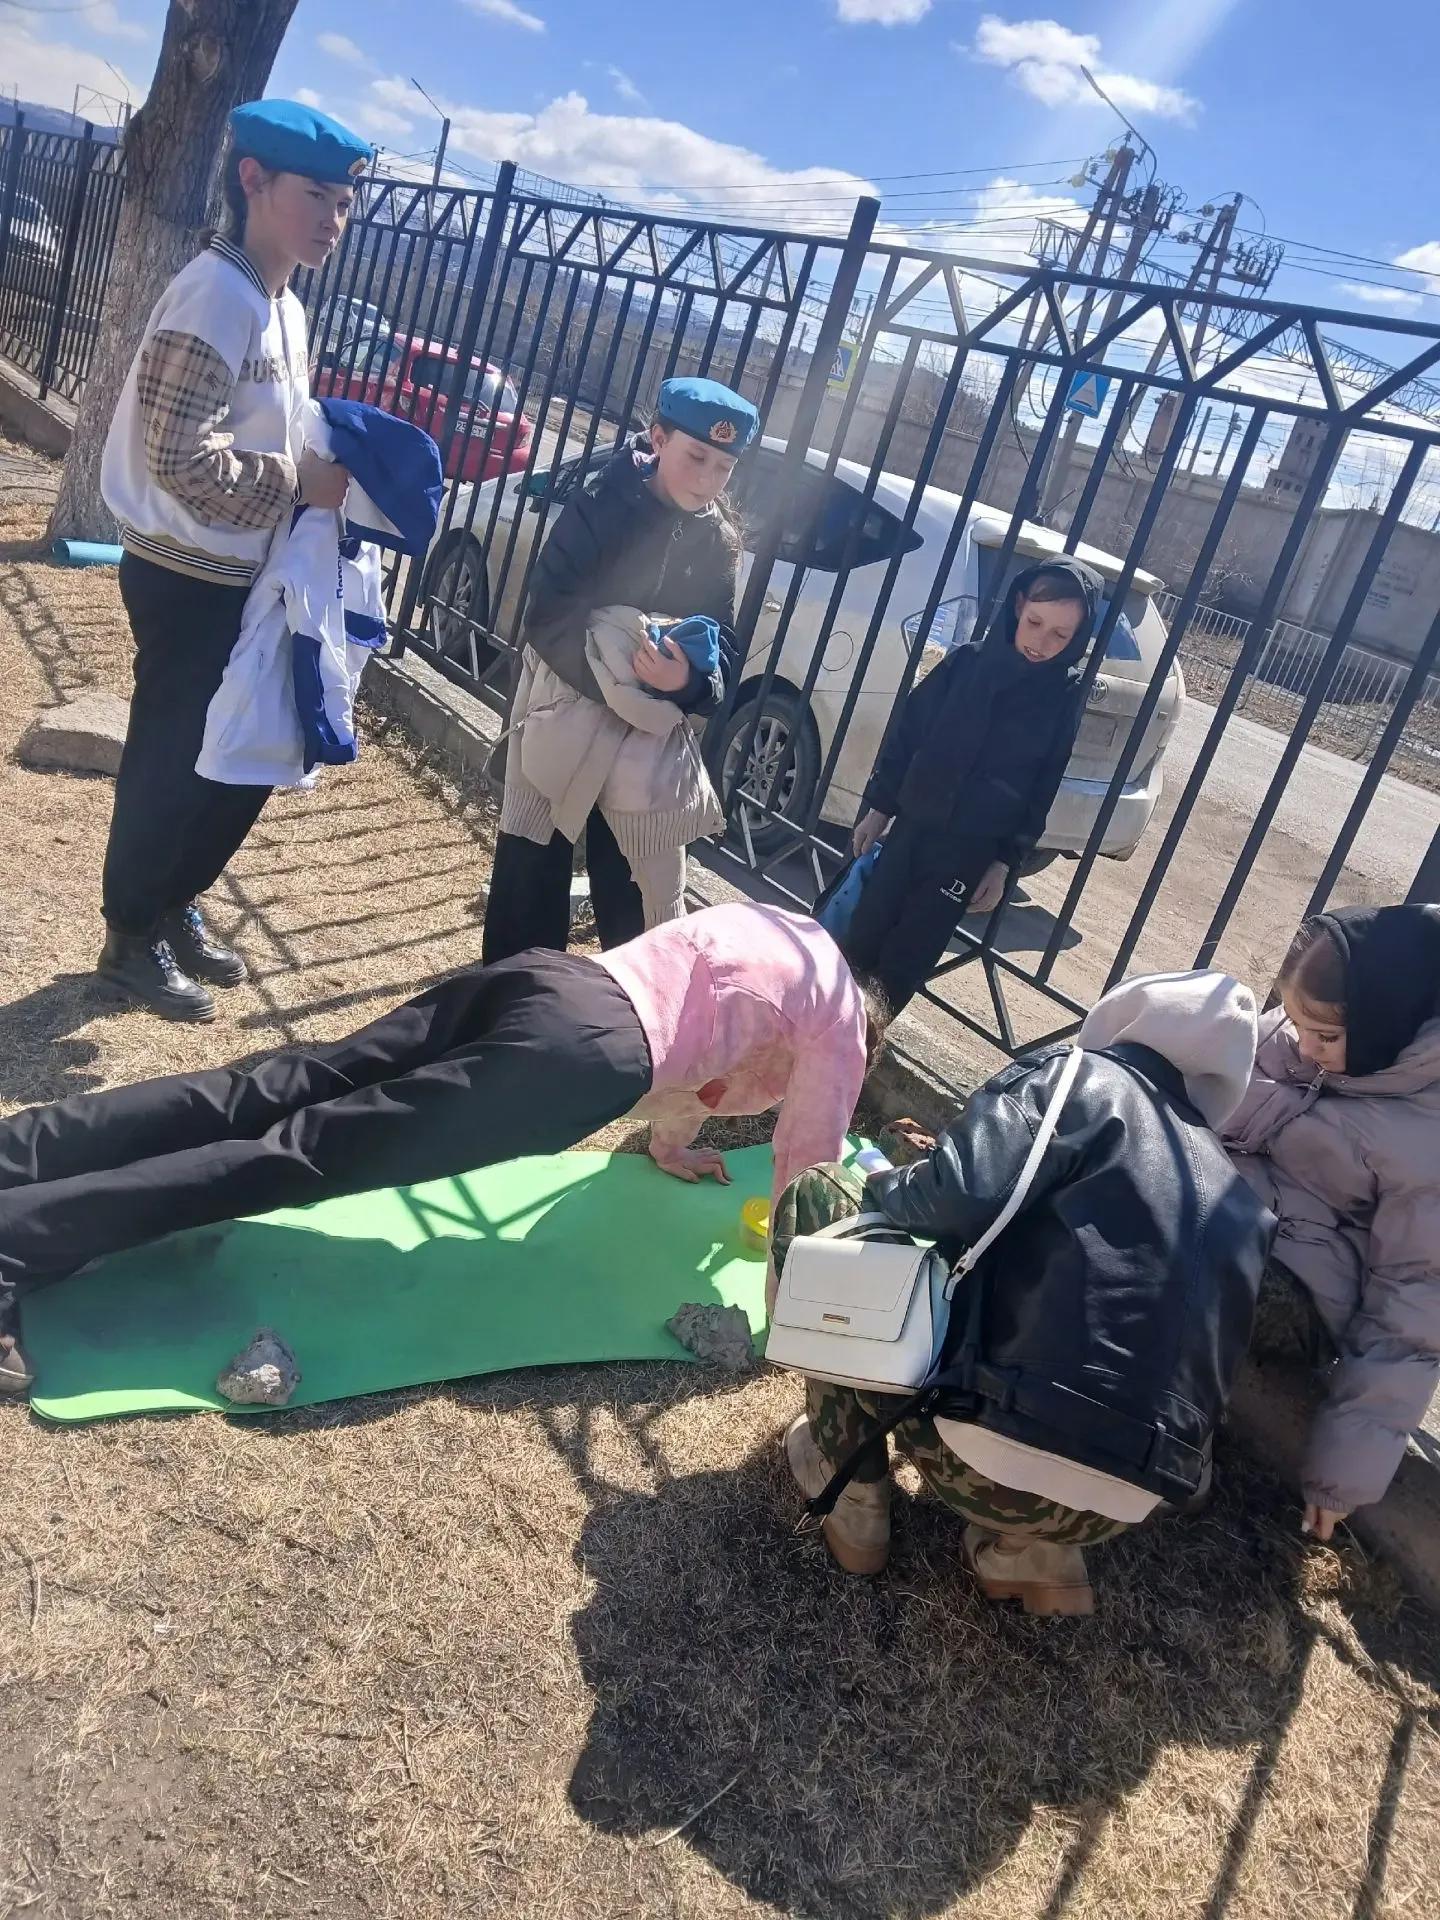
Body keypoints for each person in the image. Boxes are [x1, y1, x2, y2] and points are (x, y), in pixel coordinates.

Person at [0, 904, 887, 1394]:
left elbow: (696, 1023)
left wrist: (668, 1146)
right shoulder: (840, 1033)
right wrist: (793, 1321)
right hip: (576, 1060)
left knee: (275, 1087)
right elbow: (806, 1178)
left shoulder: (799, 938)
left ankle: (24, 1151)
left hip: (550, 979)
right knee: (302, 1155)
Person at [774, 970, 1275, 1613]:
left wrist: (884, 1182)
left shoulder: (1075, 1079)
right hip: (1118, 1508)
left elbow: (947, 1197)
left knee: (825, 1196)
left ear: (1123, 1016)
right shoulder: (1242, 1204)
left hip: (987, 1458)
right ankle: (1031, 1552)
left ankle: (854, 1498)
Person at [95, 101, 371, 1024]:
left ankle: (172, 905)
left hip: (242, 571)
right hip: (187, 572)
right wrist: (298, 486)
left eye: (344, 202)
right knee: (175, 759)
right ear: (252, 179)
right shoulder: (218, 292)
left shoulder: (280, 300)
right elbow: (178, 456)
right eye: (316, 195)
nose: (334, 218)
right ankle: (129, 936)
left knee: (239, 755)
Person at [481, 376, 754, 963]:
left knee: (641, 888)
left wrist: (687, 683)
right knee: (531, 869)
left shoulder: (717, 540)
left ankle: (634, 1002)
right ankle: (513, 992)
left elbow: (724, 645)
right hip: (565, 704)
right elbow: (549, 612)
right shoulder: (601, 504)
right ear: (658, 439)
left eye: (724, 467)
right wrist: (618, 681)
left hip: (647, 736)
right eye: (696, 457)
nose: (707, 479)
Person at [1223, 905, 1440, 1542]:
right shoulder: (1308, 1043)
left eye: (1324, 1035)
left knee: (1179, 1269)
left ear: (1386, 1027)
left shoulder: (1426, 1137)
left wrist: (1343, 1472)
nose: (1302, 1046)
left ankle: (1159, 1449)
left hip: (1299, 1286)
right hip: (1222, 1210)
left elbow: (1414, 1307)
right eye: (1293, 1023)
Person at [841, 559, 1100, 1014]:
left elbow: (1042, 785)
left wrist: (1004, 863)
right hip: (911, 830)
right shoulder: (966, 664)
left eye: (1060, 635)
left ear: (1078, 638)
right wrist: (879, 806)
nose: (1041, 642)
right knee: (860, 938)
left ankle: (862, 1045)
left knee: (905, 961)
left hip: (968, 852)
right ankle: (817, 1034)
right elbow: (908, 735)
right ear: (1018, 606)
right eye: (1035, 623)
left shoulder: (1062, 698)